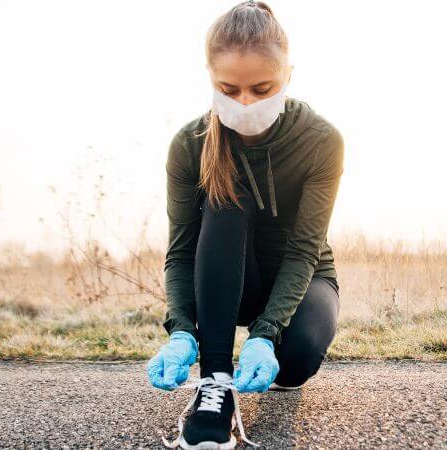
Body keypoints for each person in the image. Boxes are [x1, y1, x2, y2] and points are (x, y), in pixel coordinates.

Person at [146, 1, 345, 448]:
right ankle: (215, 382)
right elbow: (181, 251)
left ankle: (269, 349)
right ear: (210, 78)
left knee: (296, 364)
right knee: (225, 201)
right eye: (229, 89)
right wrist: (180, 328)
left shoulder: (322, 141)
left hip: (301, 276)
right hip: (224, 282)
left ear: (288, 74)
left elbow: (304, 250)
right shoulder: (189, 144)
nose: (246, 102)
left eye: (262, 87)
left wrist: (265, 334)